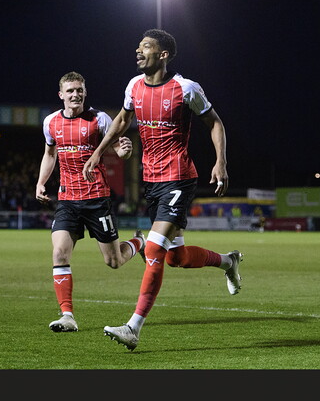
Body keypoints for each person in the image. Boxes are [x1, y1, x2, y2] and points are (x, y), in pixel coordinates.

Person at [82, 29, 241, 351]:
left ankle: (133, 327)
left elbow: (215, 123)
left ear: (163, 54)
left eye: (146, 48)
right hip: (152, 181)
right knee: (176, 258)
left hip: (179, 177)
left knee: (153, 250)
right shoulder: (133, 86)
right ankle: (228, 261)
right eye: (138, 47)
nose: (138, 52)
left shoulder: (185, 88)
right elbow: (123, 119)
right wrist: (99, 152)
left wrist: (220, 162)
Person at [36, 71, 146, 333]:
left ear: (85, 92)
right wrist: (41, 182)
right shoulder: (50, 122)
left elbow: (118, 149)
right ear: (61, 94)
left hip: (97, 199)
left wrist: (125, 151)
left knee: (114, 261)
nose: (76, 94)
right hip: (67, 200)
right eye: (71, 90)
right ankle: (67, 316)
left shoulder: (99, 119)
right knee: (59, 252)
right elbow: (49, 154)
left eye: (80, 90)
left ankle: (139, 241)